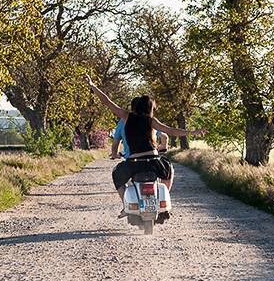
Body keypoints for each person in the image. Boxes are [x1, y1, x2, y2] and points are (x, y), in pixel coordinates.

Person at [84, 74, 206, 218]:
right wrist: (194, 132)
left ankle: (126, 205)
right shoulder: (150, 121)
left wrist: (92, 85)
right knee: (169, 172)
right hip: (153, 162)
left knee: (117, 176)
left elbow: (107, 101)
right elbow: (171, 131)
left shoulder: (126, 116)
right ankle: (164, 204)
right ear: (149, 108)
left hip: (133, 163)